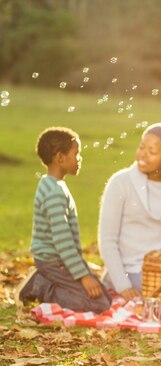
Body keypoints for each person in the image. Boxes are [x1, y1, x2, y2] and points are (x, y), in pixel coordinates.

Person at [15, 127, 111, 313]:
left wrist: (83, 271)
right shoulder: (55, 194)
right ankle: (40, 286)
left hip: (59, 259)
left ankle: (46, 281)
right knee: (99, 304)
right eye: (76, 153)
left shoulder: (49, 183)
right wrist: (83, 275)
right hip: (54, 260)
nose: (79, 158)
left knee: (102, 295)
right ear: (60, 158)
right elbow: (62, 241)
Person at [99, 122, 161, 301]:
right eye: (142, 147)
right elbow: (107, 240)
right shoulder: (121, 183)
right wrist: (123, 286)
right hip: (127, 271)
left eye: (152, 152)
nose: (143, 154)